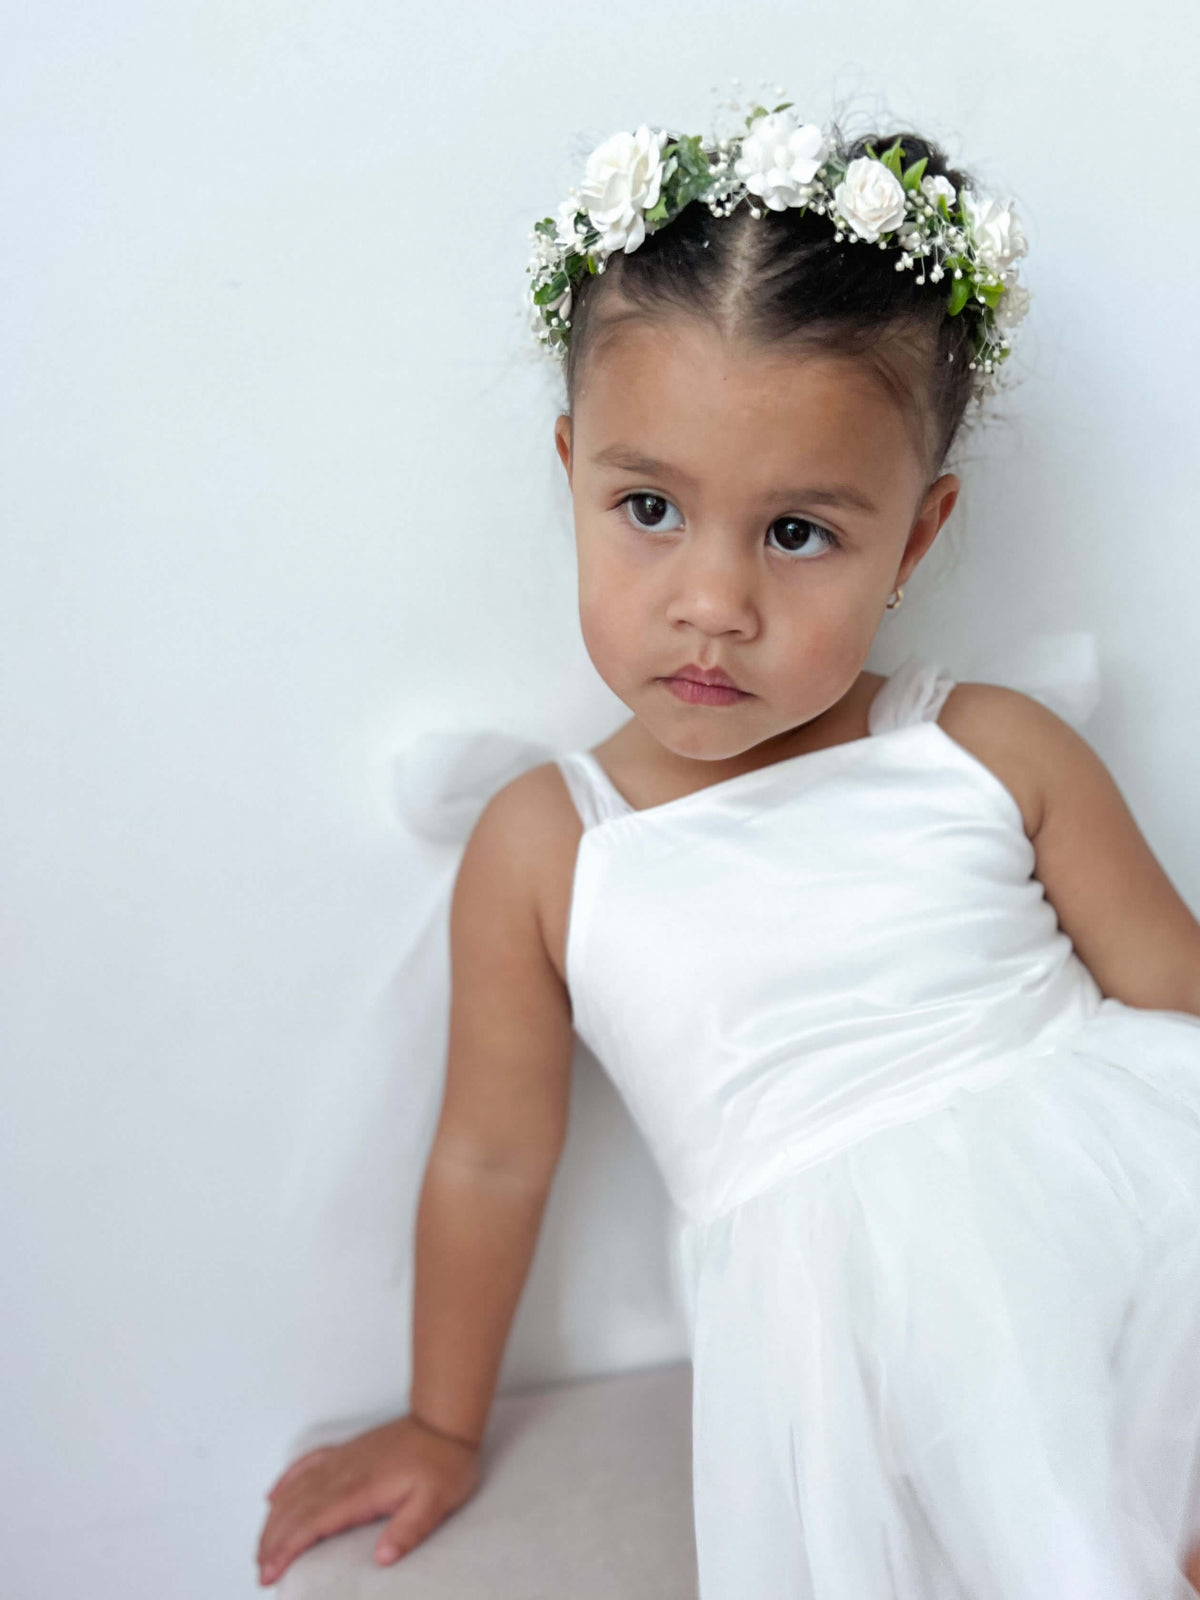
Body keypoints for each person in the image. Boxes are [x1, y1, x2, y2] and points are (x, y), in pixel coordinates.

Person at [256, 97, 1200, 1596]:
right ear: (569, 470)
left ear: (920, 535)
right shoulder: (553, 846)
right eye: (648, 508)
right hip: (856, 1360)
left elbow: (1180, 1016)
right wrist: (444, 1418)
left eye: (798, 533)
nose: (714, 603)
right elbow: (494, 1154)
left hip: (1139, 1255)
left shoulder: (985, 750)